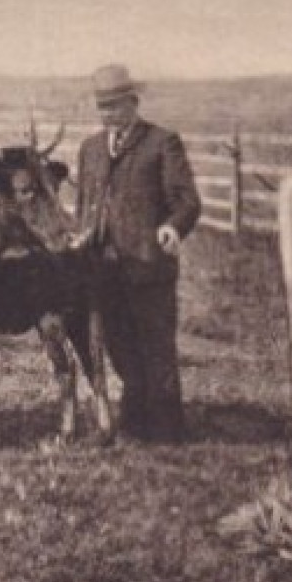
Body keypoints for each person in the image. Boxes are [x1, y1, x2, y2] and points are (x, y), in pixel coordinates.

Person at [73, 63, 200, 443]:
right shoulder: (90, 149)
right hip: (105, 268)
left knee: (155, 347)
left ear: (133, 102)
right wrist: (82, 236)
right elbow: (86, 205)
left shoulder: (161, 143)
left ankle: (166, 431)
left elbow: (187, 201)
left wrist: (171, 227)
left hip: (149, 266)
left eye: (114, 105)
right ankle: (133, 422)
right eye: (102, 106)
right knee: (120, 347)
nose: (108, 113)